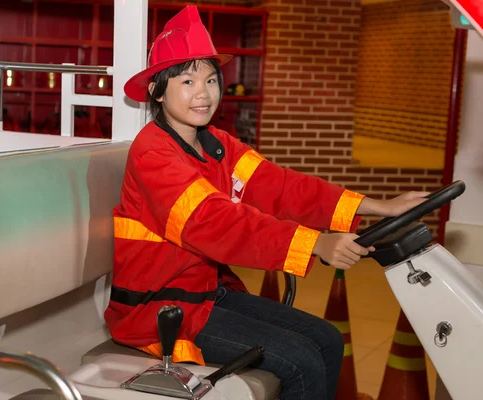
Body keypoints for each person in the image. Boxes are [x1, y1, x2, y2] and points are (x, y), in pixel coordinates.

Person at [104, 6, 427, 399]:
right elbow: (215, 223)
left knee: (326, 338)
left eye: (210, 79)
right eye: (187, 81)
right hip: (161, 309)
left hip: (206, 294)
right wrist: (315, 243)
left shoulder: (217, 145)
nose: (203, 93)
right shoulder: (152, 153)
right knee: (301, 360)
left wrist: (376, 206)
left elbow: (283, 187)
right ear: (157, 90)